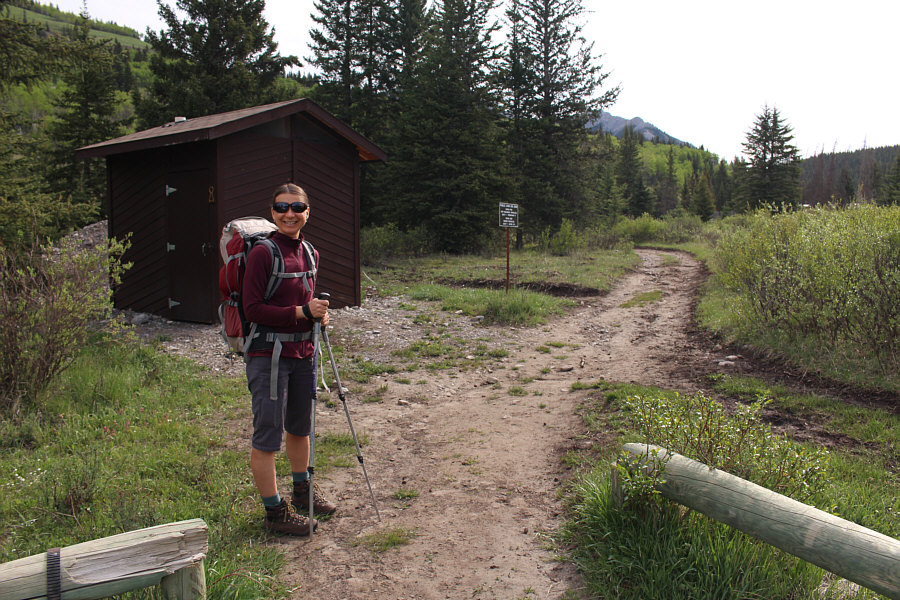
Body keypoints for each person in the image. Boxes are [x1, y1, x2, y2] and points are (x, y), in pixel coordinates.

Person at [242, 182, 338, 536]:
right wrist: (301, 312)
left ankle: (302, 491)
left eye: (297, 208)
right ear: (272, 212)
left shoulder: (311, 252)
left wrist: (319, 316)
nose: (289, 214)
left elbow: (307, 302)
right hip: (269, 354)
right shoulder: (263, 253)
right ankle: (274, 513)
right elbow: (253, 309)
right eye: (282, 207)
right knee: (268, 434)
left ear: (307, 212)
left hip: (303, 353)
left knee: (300, 427)